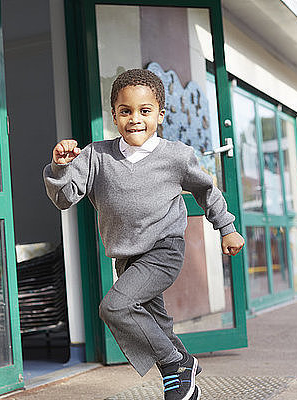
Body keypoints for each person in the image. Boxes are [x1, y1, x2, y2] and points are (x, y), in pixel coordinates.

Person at [43, 68, 245, 400]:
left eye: (145, 111)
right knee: (155, 322)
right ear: (115, 116)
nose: (135, 119)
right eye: (126, 111)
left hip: (164, 249)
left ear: (160, 115)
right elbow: (65, 198)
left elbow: (207, 191)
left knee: (115, 307)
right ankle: (186, 372)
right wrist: (61, 168)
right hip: (126, 256)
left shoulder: (176, 156)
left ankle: (173, 366)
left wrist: (227, 229)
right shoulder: (96, 156)